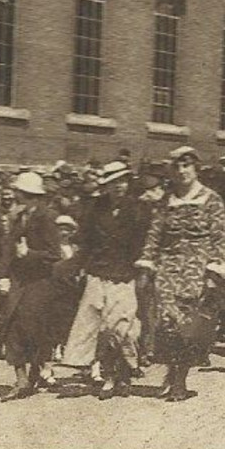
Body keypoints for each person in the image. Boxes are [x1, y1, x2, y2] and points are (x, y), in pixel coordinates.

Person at [134, 146, 225, 402]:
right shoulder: (166, 201)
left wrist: (214, 271)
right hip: (168, 267)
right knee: (166, 323)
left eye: (187, 165)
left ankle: (180, 380)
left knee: (189, 326)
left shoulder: (211, 200)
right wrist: (146, 265)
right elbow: (154, 235)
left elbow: (219, 238)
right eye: (177, 166)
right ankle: (171, 372)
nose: (182, 170)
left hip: (197, 269)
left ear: (196, 168)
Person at [63, 162, 150, 398]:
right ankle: (110, 376)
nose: (118, 187)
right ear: (106, 186)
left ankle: (125, 373)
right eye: (113, 183)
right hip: (98, 271)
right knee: (99, 328)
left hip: (125, 274)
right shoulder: (96, 207)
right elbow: (85, 240)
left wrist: (143, 270)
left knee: (122, 327)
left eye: (122, 182)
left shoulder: (140, 209)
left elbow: (146, 243)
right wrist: (77, 267)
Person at [0, 171, 64, 401]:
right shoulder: (17, 217)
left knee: (35, 330)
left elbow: (55, 254)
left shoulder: (47, 217)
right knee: (13, 325)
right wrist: (2, 276)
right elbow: (8, 249)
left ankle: (35, 373)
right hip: (20, 280)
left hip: (41, 282)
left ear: (30, 196)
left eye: (19, 193)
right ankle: (21, 380)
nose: (15, 197)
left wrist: (30, 254)